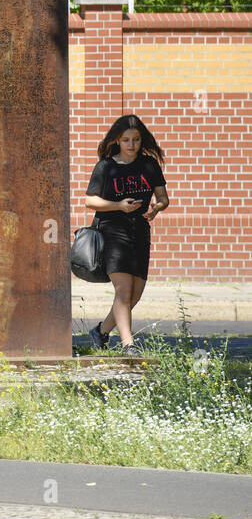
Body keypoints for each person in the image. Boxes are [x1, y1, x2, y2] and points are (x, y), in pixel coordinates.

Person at [83, 114, 170, 355]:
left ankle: (100, 332)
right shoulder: (106, 167)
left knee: (135, 294)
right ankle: (128, 344)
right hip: (112, 230)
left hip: (140, 231)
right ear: (117, 141)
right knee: (123, 289)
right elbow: (90, 200)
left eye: (136, 139)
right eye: (126, 140)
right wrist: (118, 206)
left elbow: (163, 198)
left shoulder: (149, 165)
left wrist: (156, 208)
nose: (131, 144)